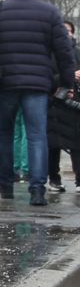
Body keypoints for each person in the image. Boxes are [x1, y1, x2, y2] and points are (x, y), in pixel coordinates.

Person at [0, 0, 80, 205]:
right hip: (37, 84)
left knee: (5, 134)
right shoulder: (49, 12)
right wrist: (67, 83)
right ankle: (37, 189)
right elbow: (64, 52)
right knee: (37, 135)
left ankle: (6, 185)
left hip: (4, 82)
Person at [51, 20, 80, 193]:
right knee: (53, 143)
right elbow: (46, 75)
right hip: (54, 102)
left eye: (69, 30)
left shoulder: (77, 53)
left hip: (74, 104)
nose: (66, 33)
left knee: (77, 143)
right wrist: (68, 77)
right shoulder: (50, 53)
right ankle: (53, 178)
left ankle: (79, 179)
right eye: (63, 30)